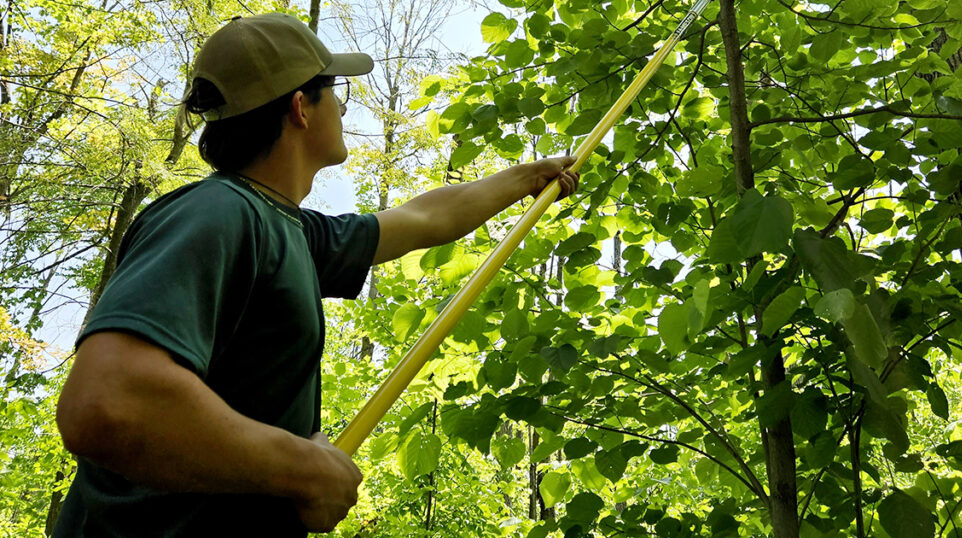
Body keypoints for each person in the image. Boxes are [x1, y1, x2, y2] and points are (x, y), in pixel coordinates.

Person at [52, 12, 579, 537]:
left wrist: (530, 176)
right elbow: (106, 402)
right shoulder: (219, 211)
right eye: (336, 89)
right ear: (301, 108)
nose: (345, 105)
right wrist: (301, 467)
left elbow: (427, 218)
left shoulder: (294, 232)